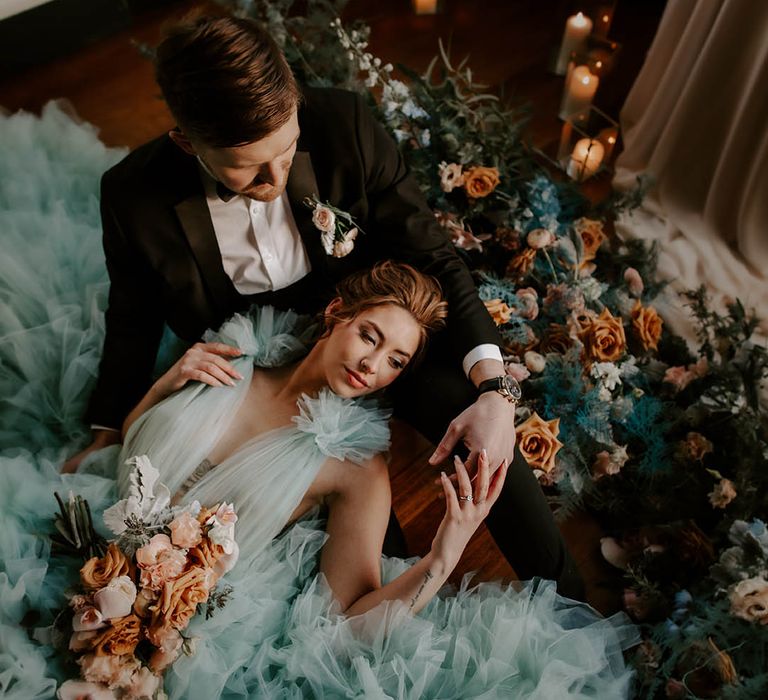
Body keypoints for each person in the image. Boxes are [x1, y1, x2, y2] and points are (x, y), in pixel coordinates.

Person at [64, 15, 583, 600]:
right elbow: (132, 315)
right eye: (251, 167)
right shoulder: (133, 196)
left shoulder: (345, 126)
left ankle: (568, 597)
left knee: (478, 426)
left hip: (372, 328)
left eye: (286, 153)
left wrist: (495, 390)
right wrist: (108, 428)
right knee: (365, 556)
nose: (277, 177)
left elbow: (435, 257)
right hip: (259, 365)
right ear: (187, 143)